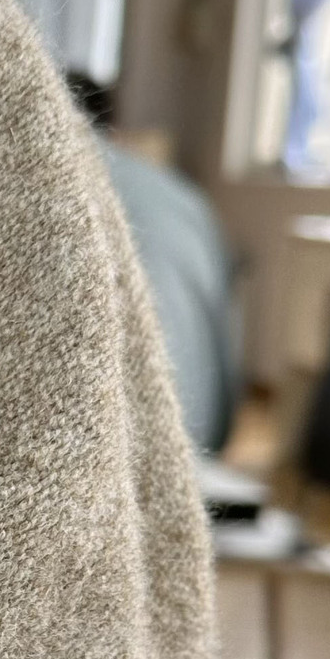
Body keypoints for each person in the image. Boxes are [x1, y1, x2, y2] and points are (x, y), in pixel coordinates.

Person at [67, 71, 240, 454]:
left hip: (89, 455)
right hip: (196, 447)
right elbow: (227, 374)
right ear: (116, 131)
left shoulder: (27, 193)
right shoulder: (189, 202)